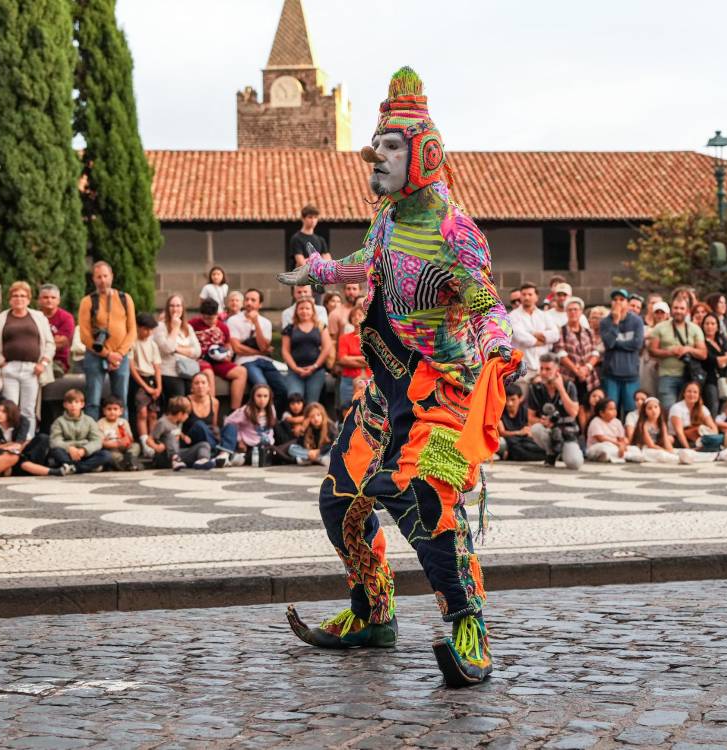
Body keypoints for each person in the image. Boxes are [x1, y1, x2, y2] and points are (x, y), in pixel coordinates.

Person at [276, 68, 519, 687]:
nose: (375, 158)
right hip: (386, 393)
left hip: (440, 395)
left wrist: (498, 344)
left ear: (425, 155)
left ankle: (470, 629)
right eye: (376, 146)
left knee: (431, 506)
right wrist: (325, 270)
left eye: (389, 147)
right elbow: (369, 262)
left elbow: (486, 302)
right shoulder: (385, 222)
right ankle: (372, 612)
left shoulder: (456, 234)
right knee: (340, 504)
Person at [0, 281, 54, 439]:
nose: (19, 299)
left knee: (28, 410)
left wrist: (43, 363)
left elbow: (50, 343)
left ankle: (26, 442)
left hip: (32, 369)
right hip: (9, 368)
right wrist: (0, 362)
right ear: (10, 299)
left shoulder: (39, 317)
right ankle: (10, 443)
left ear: (29, 299)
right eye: (15, 295)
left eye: (23, 296)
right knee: (10, 409)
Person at [78, 261, 138, 418]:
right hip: (95, 354)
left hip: (121, 357)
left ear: (112, 276)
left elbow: (132, 331)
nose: (102, 280)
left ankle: (123, 436)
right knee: (93, 400)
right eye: (99, 277)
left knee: (121, 399)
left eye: (105, 276)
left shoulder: (126, 299)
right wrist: (107, 354)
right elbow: (85, 336)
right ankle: (93, 437)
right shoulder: (87, 301)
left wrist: (119, 354)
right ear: (93, 279)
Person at [224, 289, 289, 410]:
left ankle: (274, 421)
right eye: (247, 299)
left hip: (266, 361)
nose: (249, 303)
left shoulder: (265, 323)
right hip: (246, 361)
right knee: (262, 387)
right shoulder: (233, 320)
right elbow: (237, 348)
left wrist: (256, 323)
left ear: (260, 304)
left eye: (253, 300)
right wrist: (260, 352)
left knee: (283, 389)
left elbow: (263, 346)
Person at [527, 354, 584, 469]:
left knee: (575, 463)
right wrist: (542, 421)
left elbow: (574, 412)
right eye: (541, 368)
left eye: (548, 369)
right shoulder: (535, 388)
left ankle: (564, 450)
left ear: (557, 370)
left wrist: (561, 389)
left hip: (567, 431)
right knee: (536, 429)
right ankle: (551, 452)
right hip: (548, 430)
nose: (543, 372)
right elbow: (530, 418)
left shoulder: (569, 385)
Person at [190, 297, 248, 409]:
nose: (208, 321)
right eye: (205, 318)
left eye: (211, 318)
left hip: (218, 360)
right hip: (201, 360)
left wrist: (228, 355)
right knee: (208, 374)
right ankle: (211, 411)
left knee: (241, 372)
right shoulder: (193, 324)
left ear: (217, 314)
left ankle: (234, 411)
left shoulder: (223, 327)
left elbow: (228, 346)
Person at [648, 297, 706, 409]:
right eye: (676, 308)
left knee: (688, 411)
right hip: (667, 375)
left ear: (687, 311)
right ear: (671, 309)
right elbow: (652, 351)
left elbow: (703, 353)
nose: (678, 311)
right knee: (668, 409)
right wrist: (670, 352)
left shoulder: (695, 329)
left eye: (682, 308)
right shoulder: (660, 328)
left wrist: (688, 349)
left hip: (689, 376)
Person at [599, 288, 644, 414]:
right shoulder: (605, 322)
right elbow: (608, 343)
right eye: (615, 300)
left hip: (631, 375)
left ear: (627, 303)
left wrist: (616, 344)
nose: (618, 302)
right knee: (610, 411)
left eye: (621, 299)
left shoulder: (637, 321)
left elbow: (637, 344)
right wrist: (615, 322)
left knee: (632, 411)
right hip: (611, 375)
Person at [47, 389, 112, 474]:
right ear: (65, 405)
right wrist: (69, 448)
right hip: (68, 454)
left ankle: (73, 468)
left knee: (106, 455)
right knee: (56, 451)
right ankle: (85, 467)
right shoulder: (58, 422)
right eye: (70, 402)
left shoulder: (89, 420)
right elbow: (55, 441)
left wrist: (84, 450)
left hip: (84, 454)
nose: (73, 405)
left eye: (76, 402)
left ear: (82, 404)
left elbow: (97, 440)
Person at [558, 298, 601, 424]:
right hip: (570, 376)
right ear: (566, 312)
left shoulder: (588, 331)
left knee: (588, 405)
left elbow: (595, 352)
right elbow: (561, 353)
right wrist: (577, 370)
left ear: (581, 312)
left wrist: (587, 367)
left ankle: (587, 432)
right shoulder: (562, 331)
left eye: (575, 310)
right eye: (570, 310)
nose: (573, 313)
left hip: (588, 376)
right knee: (574, 407)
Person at [282, 298, 332, 406]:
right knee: (295, 400)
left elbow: (327, 347)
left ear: (313, 311)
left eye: (307, 308)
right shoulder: (289, 328)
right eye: (301, 308)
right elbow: (285, 351)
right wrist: (295, 368)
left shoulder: (320, 326)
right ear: (296, 311)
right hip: (295, 372)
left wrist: (314, 366)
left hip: (316, 372)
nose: (304, 311)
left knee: (312, 403)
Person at [145, 395, 214, 470]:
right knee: (170, 436)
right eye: (187, 414)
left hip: (178, 453)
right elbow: (148, 440)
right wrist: (157, 447)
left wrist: (184, 437)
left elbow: (176, 431)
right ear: (180, 414)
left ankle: (203, 460)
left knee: (204, 444)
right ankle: (175, 459)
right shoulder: (162, 422)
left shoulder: (178, 422)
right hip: (164, 457)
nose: (187, 417)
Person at [156, 295, 201, 403]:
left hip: (188, 372)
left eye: (178, 306)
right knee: (179, 404)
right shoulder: (160, 327)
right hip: (170, 372)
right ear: (167, 308)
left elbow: (197, 351)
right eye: (172, 306)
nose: (175, 309)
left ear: (182, 308)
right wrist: (175, 328)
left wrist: (177, 349)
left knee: (191, 404)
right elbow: (167, 348)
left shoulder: (188, 327)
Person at [219, 383, 276, 464]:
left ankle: (242, 458)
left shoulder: (272, 409)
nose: (262, 400)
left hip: (266, 445)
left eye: (265, 396)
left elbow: (270, 429)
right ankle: (227, 455)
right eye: (259, 396)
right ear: (253, 397)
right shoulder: (246, 410)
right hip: (250, 446)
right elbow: (228, 422)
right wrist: (239, 440)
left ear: (270, 397)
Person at [129, 313, 163, 442]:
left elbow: (157, 367)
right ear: (138, 327)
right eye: (145, 329)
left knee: (153, 413)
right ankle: (144, 441)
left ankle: (152, 440)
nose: (148, 333)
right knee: (142, 412)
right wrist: (146, 388)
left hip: (152, 379)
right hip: (140, 380)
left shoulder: (152, 344)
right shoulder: (132, 342)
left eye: (151, 330)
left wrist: (158, 387)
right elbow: (132, 368)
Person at [509, 282, 560, 367]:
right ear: (520, 296)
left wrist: (532, 333)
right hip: (522, 366)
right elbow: (521, 337)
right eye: (524, 294)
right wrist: (543, 341)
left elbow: (555, 335)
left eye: (530, 294)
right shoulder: (512, 316)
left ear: (536, 297)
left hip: (543, 366)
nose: (526, 297)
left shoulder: (544, 315)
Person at [335, 304, 371, 413]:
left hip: (367, 378)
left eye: (360, 315)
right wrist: (363, 360)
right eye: (354, 316)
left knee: (367, 408)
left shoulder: (371, 338)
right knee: (346, 408)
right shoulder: (344, 338)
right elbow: (342, 359)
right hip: (348, 379)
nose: (356, 317)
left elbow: (371, 358)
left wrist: (352, 359)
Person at [37, 284, 76, 379]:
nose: (49, 300)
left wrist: (36, 342)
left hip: (57, 362)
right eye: (45, 297)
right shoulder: (34, 316)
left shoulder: (66, 318)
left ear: (58, 300)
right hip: (34, 360)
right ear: (39, 300)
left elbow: (60, 343)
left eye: (53, 297)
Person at [627, 396, 678, 464]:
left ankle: (681, 457)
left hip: (658, 447)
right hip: (646, 449)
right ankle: (678, 459)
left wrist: (671, 451)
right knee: (661, 454)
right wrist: (666, 451)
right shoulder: (643, 425)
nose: (654, 410)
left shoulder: (662, 424)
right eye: (649, 408)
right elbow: (650, 445)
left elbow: (666, 442)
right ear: (645, 411)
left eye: (656, 407)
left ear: (660, 408)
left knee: (677, 451)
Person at [95, 396, 138, 470]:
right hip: (111, 449)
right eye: (109, 409)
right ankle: (128, 464)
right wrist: (115, 444)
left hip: (124, 448)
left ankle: (129, 459)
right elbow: (100, 442)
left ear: (120, 411)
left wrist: (126, 441)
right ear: (104, 411)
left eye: (115, 409)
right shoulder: (100, 423)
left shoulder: (123, 422)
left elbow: (130, 439)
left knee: (136, 446)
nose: (112, 412)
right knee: (112, 455)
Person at [585, 398, 630, 463]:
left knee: (634, 448)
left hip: (616, 446)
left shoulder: (617, 422)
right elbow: (601, 439)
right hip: (597, 447)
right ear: (602, 413)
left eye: (615, 409)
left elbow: (622, 439)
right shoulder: (595, 421)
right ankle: (620, 455)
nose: (614, 411)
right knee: (606, 446)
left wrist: (623, 444)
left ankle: (618, 455)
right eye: (611, 409)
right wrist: (618, 444)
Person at [287, 204, 328, 269]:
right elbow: (301, 263)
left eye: (315, 217)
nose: (313, 220)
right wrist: (320, 264)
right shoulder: (296, 238)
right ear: (303, 218)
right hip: (301, 277)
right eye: (310, 217)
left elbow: (328, 262)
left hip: (317, 277)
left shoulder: (321, 240)